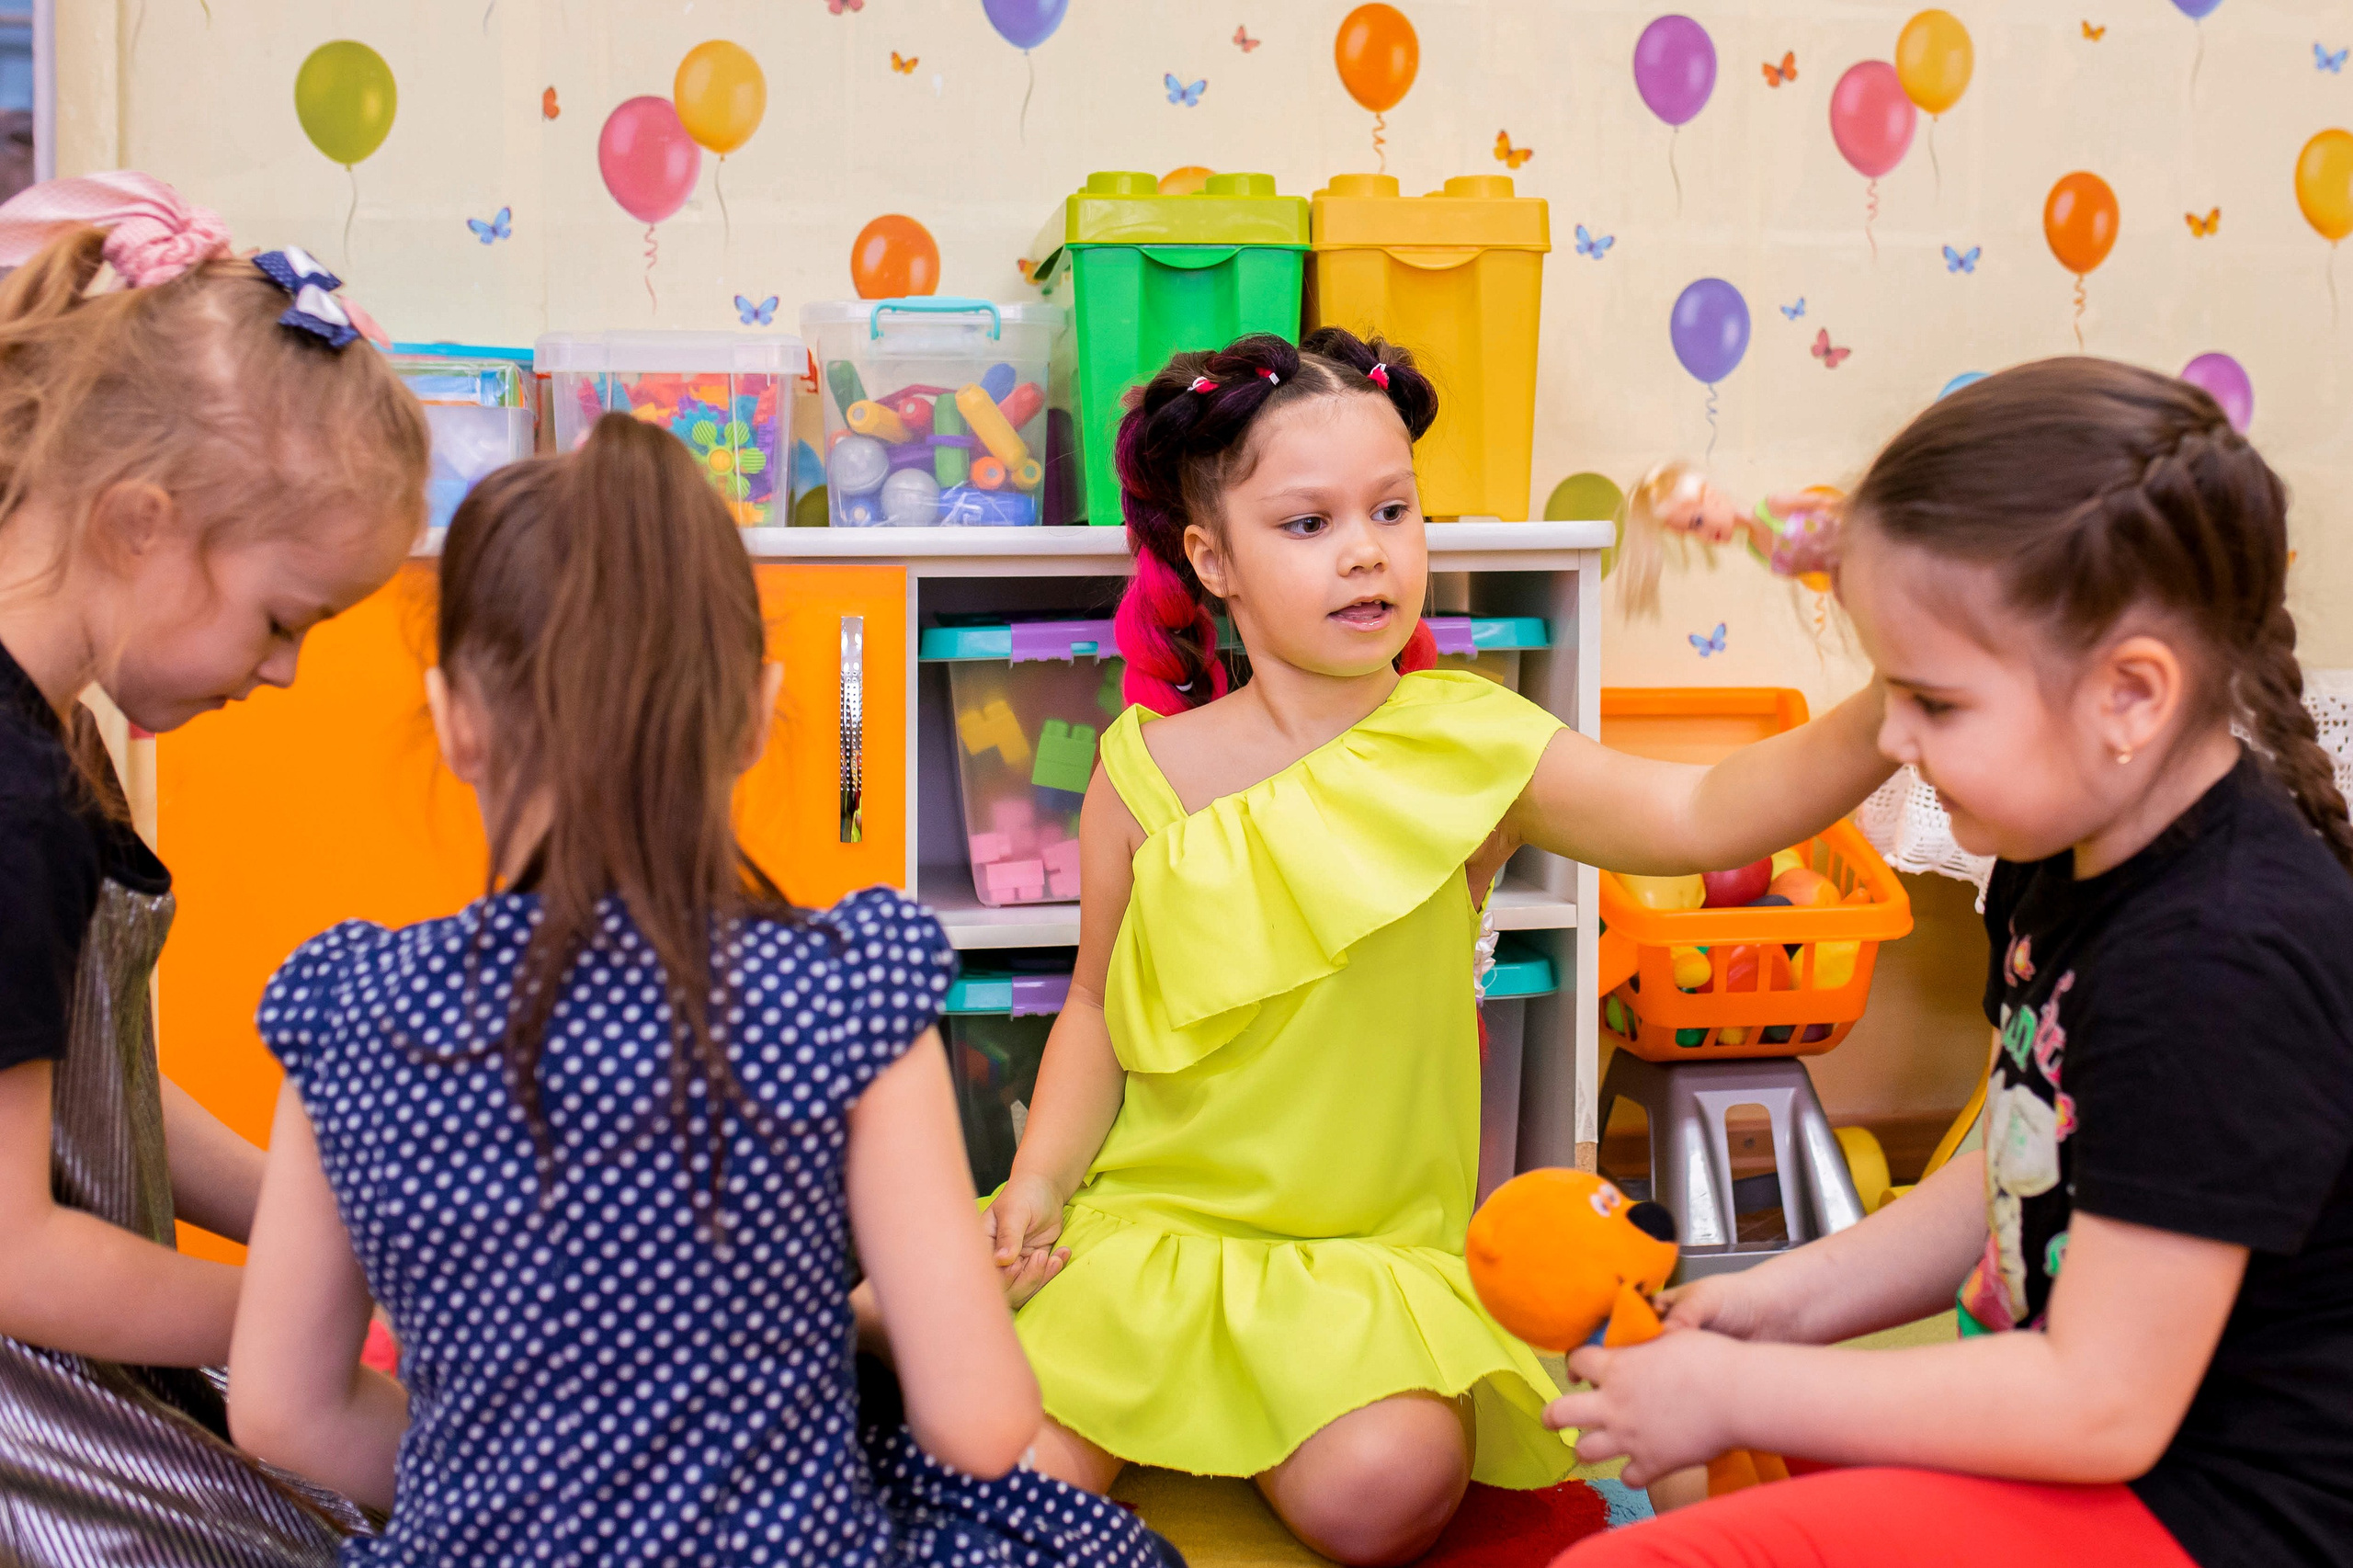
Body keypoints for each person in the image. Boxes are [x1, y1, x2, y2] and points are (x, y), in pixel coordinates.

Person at [979, 328, 1899, 1565]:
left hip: (1362, 1263)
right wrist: (1041, 1179)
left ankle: (1177, 1412)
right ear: (1213, 561)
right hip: (1152, 1234)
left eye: (1393, 509)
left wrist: (1899, 696)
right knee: (1005, 1475)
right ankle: (967, 1332)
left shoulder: (1476, 740)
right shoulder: (1141, 771)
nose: (1366, 549)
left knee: (1385, 1491)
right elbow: (1093, 1005)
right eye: (1308, 523)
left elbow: (1699, 811)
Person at [227, 414, 1181, 1568]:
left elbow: (282, 1412)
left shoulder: (352, 1008)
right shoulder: (843, 995)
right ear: (756, 711)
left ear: (454, 721)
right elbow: (978, 1425)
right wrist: (867, 1324)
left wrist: (505, 1495)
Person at [1552, 358, 2353, 1568]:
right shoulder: (2064, 849)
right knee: (1708, 1445)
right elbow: (2015, 1160)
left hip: (2215, 1511)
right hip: (2100, 1450)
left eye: (1934, 701)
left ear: (2130, 694)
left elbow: (2100, 1404)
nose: (1889, 737)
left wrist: (1740, 1387)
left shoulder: (2217, 959)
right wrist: (1777, 1304)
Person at [0, 174, 427, 1565]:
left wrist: (347, 1219)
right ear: (140, 522)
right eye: (282, 617)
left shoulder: (51, 734)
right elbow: (14, 1253)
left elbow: (84, 1082)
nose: (287, 669)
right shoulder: (11, 794)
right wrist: (308, 1313)